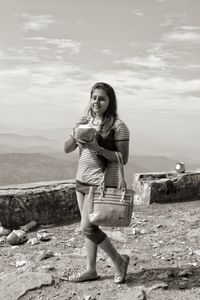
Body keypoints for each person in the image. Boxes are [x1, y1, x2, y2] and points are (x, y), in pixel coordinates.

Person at [64, 82, 130, 284]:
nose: (96, 102)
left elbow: (123, 158)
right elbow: (67, 149)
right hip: (81, 181)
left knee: (88, 228)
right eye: (94, 97)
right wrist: (75, 135)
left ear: (110, 101)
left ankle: (119, 261)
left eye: (102, 98)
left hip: (99, 183)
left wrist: (97, 147)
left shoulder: (118, 127)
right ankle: (91, 269)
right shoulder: (84, 121)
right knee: (89, 229)